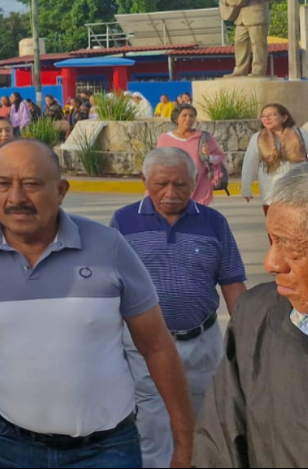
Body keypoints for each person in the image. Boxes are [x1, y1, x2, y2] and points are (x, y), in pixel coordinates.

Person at [0, 140, 194, 469]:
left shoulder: (108, 247)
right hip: (5, 448)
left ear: (61, 190)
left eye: (32, 184)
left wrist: (184, 441)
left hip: (106, 450)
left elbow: (157, 346)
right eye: (3, 185)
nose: (16, 199)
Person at [111, 148, 247, 468]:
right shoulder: (123, 222)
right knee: (152, 425)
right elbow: (108, 286)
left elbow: (232, 284)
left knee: (204, 420)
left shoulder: (214, 222)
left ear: (196, 181)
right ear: (144, 181)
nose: (170, 193)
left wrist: (246, 338)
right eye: (161, 184)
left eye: (180, 185)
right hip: (144, 345)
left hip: (202, 342)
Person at [194, 161, 308, 466]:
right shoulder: (256, 315)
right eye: (271, 241)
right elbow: (218, 445)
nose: (271, 263)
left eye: (290, 246)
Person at [242, 103, 308, 210]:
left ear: (284, 117)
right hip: (270, 191)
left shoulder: (300, 133)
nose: (267, 118)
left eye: (272, 115)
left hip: (297, 189)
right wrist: (246, 188)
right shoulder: (258, 138)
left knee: (297, 223)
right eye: (264, 116)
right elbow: (250, 163)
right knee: (275, 225)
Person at [157, 104, 226, 206]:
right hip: (172, 189)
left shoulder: (204, 137)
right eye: (184, 115)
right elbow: (156, 162)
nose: (188, 118)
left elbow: (220, 157)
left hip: (199, 189)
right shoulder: (165, 139)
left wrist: (208, 156)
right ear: (176, 119)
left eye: (191, 116)